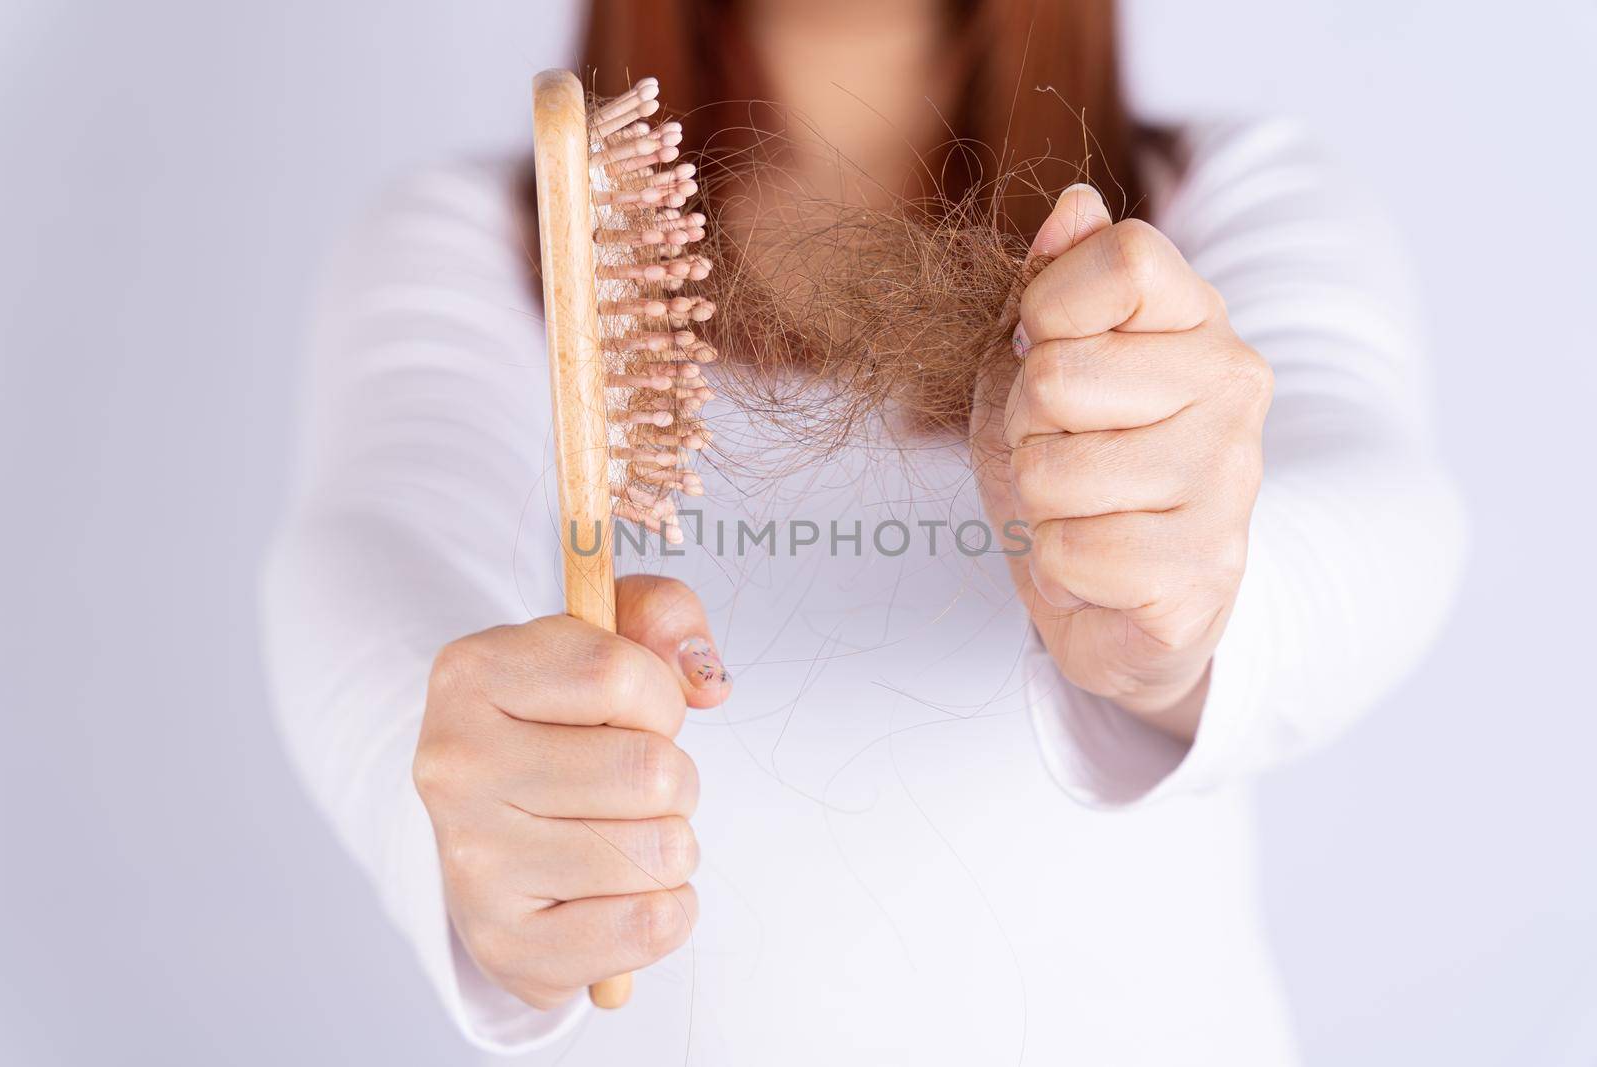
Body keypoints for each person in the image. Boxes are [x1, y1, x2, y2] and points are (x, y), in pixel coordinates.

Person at [262, 0, 1463, 1062]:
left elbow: (1372, 506)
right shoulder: (477, 242)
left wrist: (1182, 610)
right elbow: (371, 558)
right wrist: (473, 789)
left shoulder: (1229, 196)